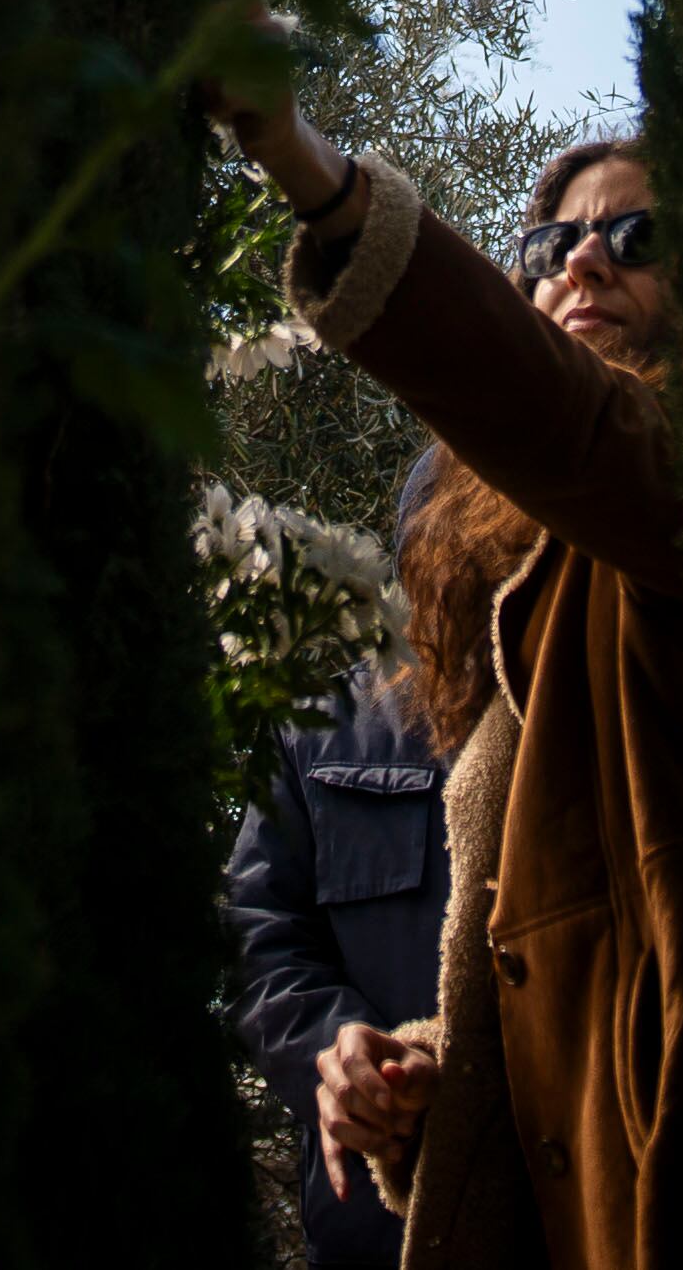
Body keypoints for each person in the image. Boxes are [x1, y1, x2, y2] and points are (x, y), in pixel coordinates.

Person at [203, 96, 683, 1270]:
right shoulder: (451, 633)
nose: (584, 257)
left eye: (638, 238)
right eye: (548, 249)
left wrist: (308, 168)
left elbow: (567, 421)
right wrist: (406, 1058)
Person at [225, 456, 454, 1266]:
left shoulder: (607, 705)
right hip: (377, 1224)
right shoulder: (317, 727)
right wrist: (339, 1049)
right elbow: (259, 937)